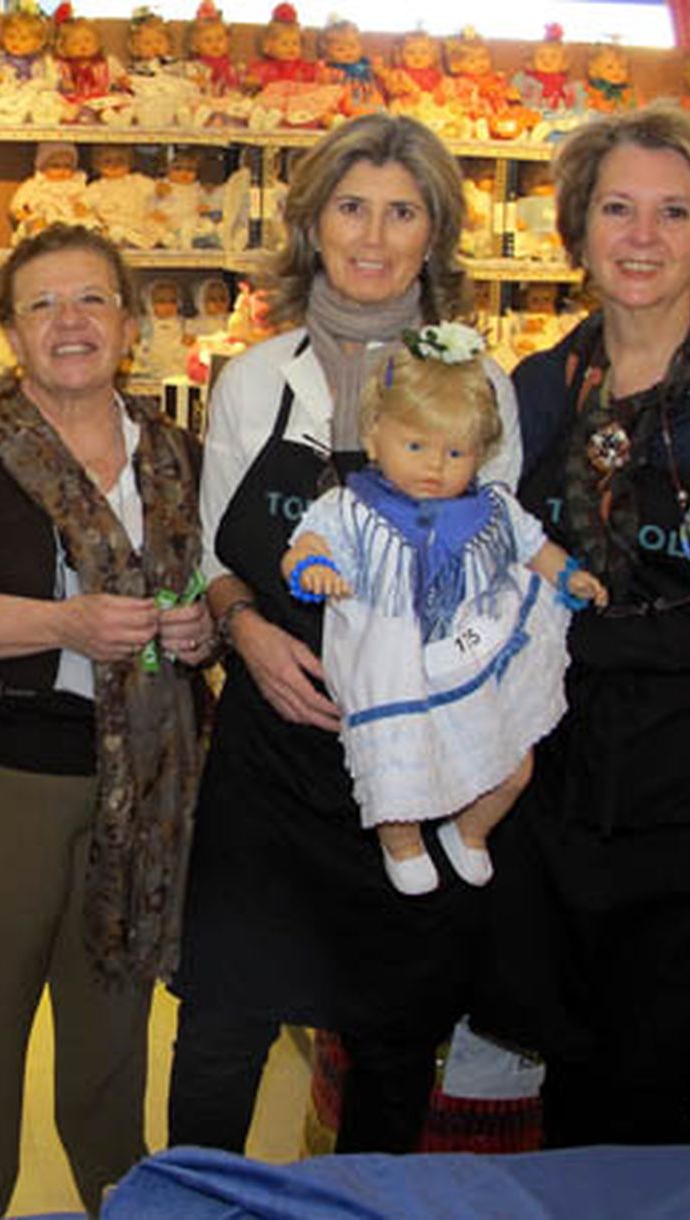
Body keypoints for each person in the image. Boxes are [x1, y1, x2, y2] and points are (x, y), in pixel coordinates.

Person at [166, 113, 522, 1156]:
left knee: (394, 1034)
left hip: (414, 768)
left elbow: (499, 575)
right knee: (222, 1023)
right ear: (312, 225)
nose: (373, 235)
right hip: (272, 751)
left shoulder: (480, 385)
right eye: (351, 207)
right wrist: (247, 632)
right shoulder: (254, 379)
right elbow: (211, 552)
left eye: (401, 211)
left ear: (434, 234)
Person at [478, 104, 690, 1148]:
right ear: (576, 230)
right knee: (569, 1053)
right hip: (555, 772)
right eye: (617, 208)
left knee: (663, 1072)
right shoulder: (528, 394)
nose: (642, 236)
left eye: (673, 212)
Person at [0, 225, 211, 1219]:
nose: (70, 322)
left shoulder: (173, 449)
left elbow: (202, 571)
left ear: (127, 321)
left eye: (92, 299)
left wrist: (201, 624)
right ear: (9, 333)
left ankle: (121, 1190)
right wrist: (64, 623)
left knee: (113, 998)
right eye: (41, 304)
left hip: (145, 772)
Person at [282, 323, 606, 896]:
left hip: (466, 657)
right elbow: (306, 544)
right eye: (416, 446)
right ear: (376, 438)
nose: (435, 466)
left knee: (515, 766)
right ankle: (400, 842)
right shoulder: (351, 507)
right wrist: (311, 568)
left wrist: (568, 575)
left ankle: (469, 831)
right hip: (392, 669)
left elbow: (535, 548)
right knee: (401, 772)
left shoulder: (493, 508)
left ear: (480, 454)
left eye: (455, 452)